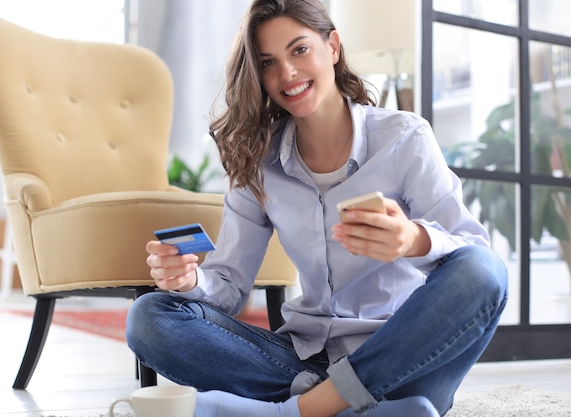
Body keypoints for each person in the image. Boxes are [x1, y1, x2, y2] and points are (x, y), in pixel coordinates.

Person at [126, 0, 508, 416]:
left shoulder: (404, 138)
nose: (286, 73)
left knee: (486, 270)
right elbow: (229, 287)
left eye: (299, 50)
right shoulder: (259, 161)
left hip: (402, 361)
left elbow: (473, 255)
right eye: (268, 62)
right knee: (150, 316)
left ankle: (300, 409)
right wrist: (189, 280)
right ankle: (349, 407)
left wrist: (413, 239)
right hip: (302, 361)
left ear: (333, 47)